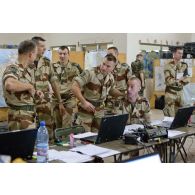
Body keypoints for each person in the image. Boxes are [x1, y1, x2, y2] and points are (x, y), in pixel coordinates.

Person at [71, 54, 124, 132]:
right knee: (83, 137)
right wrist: (84, 102)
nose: (104, 67)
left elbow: (112, 90)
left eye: (108, 66)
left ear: (113, 68)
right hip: (86, 111)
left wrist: (124, 95)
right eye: (103, 64)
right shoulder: (90, 73)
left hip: (100, 112)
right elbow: (74, 87)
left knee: (96, 137)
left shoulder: (110, 77)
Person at [2, 40, 43, 130]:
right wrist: (29, 86)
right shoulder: (13, 68)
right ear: (30, 55)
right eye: (35, 54)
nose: (36, 57)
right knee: (21, 144)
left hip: (28, 116)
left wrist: (36, 93)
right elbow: (9, 84)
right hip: (19, 119)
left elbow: (23, 91)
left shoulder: (27, 70)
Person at [31, 36, 65, 140]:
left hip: (45, 102)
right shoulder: (26, 62)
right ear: (34, 47)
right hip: (29, 103)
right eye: (42, 46)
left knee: (47, 131)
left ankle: (48, 151)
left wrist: (59, 101)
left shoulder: (46, 61)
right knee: (30, 132)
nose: (44, 49)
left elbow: (54, 82)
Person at [52, 46, 81, 129]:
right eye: (60, 53)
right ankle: (57, 141)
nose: (62, 56)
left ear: (68, 54)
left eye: (64, 54)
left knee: (67, 124)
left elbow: (83, 80)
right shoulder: (53, 67)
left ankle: (66, 140)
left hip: (69, 99)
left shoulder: (75, 67)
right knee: (56, 123)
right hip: (56, 99)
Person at [163, 47, 190, 117]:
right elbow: (168, 81)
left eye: (182, 53)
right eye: (179, 53)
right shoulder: (168, 66)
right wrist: (180, 80)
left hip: (180, 93)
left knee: (180, 116)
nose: (181, 55)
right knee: (170, 116)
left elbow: (187, 79)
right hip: (170, 93)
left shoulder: (184, 65)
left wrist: (177, 80)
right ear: (174, 54)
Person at [106, 46, 132, 114]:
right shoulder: (106, 68)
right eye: (108, 54)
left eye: (111, 54)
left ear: (117, 54)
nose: (109, 56)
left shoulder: (125, 68)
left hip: (120, 103)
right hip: (107, 103)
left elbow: (131, 84)